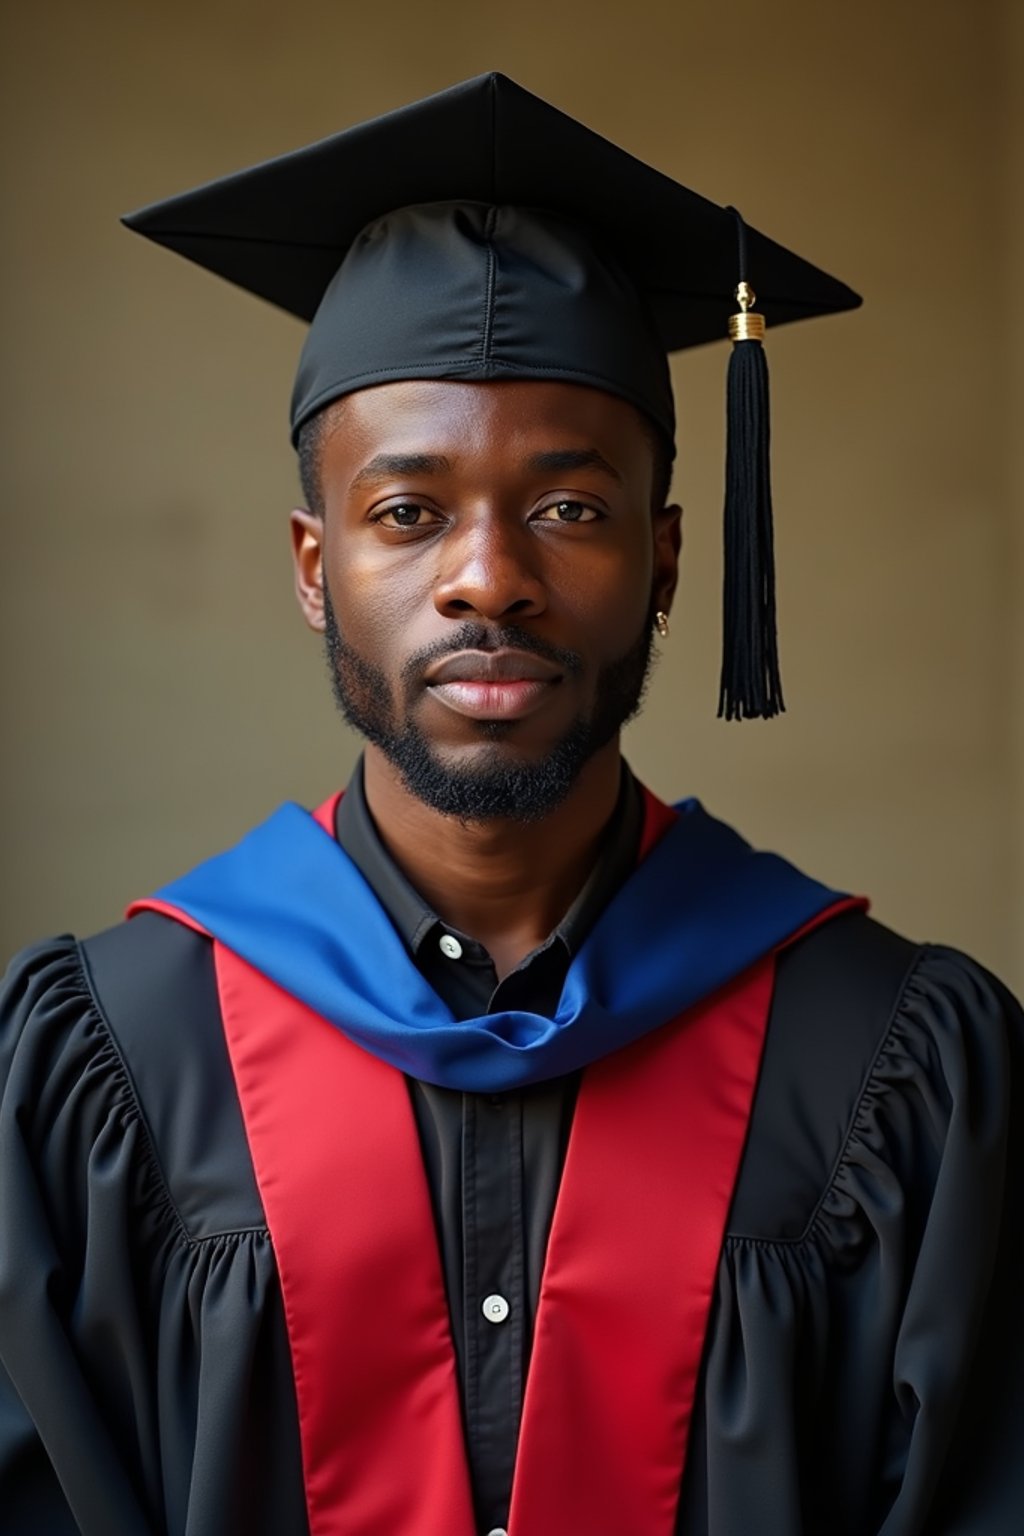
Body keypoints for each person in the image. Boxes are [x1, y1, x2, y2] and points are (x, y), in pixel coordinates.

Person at [0, 72, 1020, 1536]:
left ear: (667, 565)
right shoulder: (106, 1069)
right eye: (407, 513)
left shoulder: (895, 1068)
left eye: (569, 507)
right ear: (311, 566)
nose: (489, 576)